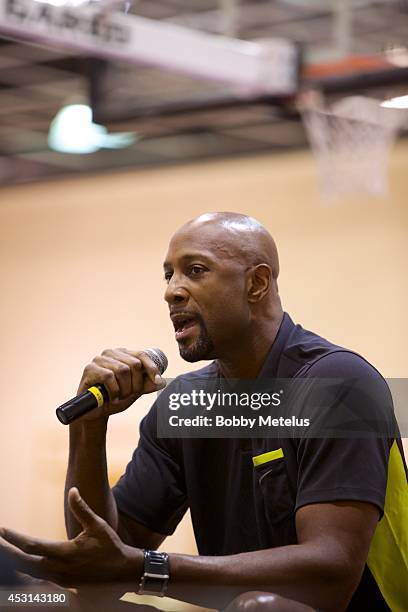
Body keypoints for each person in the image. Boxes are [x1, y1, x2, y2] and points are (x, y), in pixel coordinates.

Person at [0, 212, 406, 611]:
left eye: (195, 270)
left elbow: (330, 577)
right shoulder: (186, 404)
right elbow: (101, 563)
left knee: (260, 608)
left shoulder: (338, 384)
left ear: (257, 283)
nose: (172, 291)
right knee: (50, 605)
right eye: (168, 275)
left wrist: (147, 569)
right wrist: (90, 428)